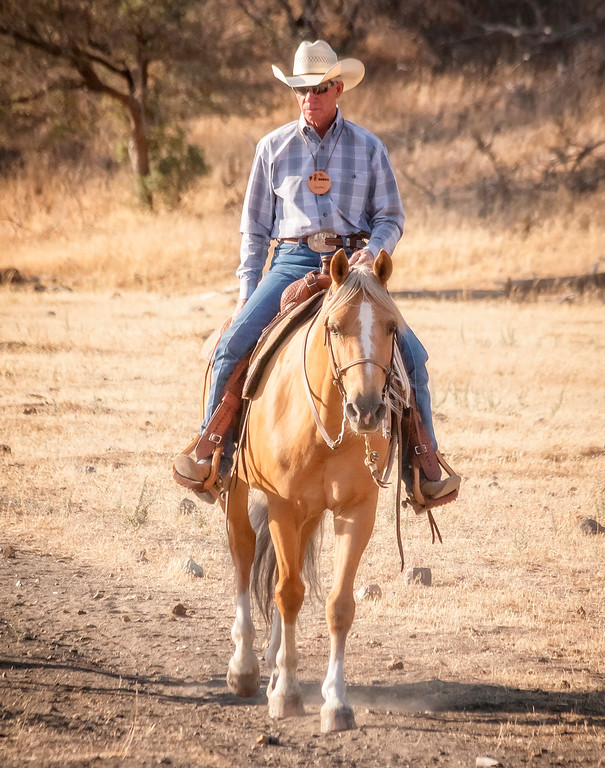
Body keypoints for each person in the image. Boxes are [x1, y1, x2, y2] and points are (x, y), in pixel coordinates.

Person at [174, 40, 460, 503]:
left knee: (414, 357)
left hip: (355, 268)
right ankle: (213, 455)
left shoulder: (369, 147)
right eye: (300, 90)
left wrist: (374, 252)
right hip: (291, 262)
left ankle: (424, 467)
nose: (310, 98)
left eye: (320, 89)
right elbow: (253, 231)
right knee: (232, 345)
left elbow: (390, 216)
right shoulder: (273, 148)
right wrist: (247, 293)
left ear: (339, 88)